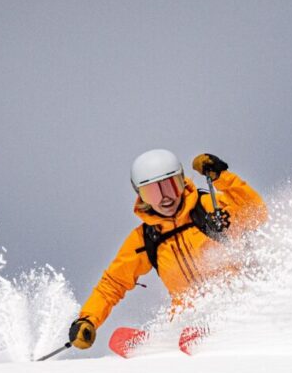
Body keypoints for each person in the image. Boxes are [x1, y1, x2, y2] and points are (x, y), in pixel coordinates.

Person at [67, 149, 267, 349]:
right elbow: (113, 283)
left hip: (236, 301)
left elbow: (256, 212)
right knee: (183, 321)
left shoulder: (208, 207)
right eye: (152, 193)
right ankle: (161, 344)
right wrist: (88, 319)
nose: (165, 198)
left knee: (216, 311)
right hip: (188, 319)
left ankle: (197, 334)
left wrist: (221, 177)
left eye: (170, 186)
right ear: (141, 196)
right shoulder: (146, 238)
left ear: (182, 181)